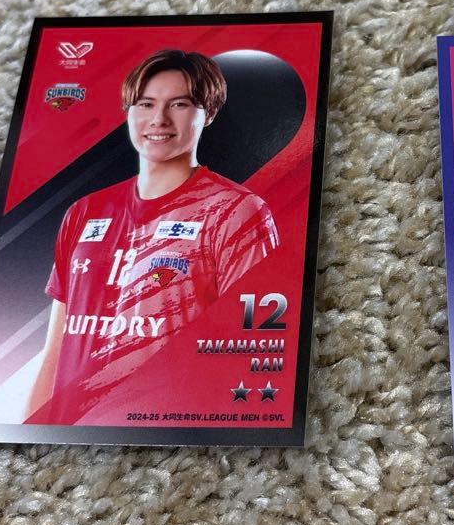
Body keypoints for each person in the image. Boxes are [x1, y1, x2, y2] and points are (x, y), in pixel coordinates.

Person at [25, 49, 278, 423]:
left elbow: (247, 351)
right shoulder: (85, 212)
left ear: (208, 113)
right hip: (70, 433)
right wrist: (29, 434)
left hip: (166, 434)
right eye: (145, 104)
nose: (159, 119)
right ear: (129, 112)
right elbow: (55, 351)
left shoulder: (235, 212)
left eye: (179, 104)